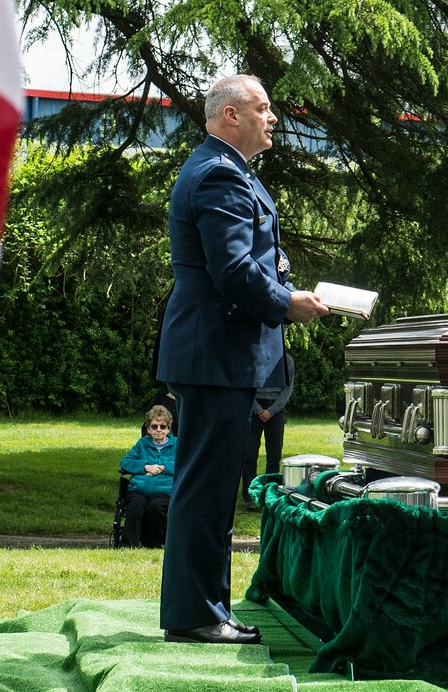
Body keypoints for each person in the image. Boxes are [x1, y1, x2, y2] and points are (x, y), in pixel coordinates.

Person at [154, 74, 330, 645]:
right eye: (263, 108)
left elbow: (248, 261)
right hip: (217, 354)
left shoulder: (225, 171)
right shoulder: (220, 175)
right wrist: (287, 304)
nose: (273, 117)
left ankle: (206, 609)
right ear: (230, 115)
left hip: (219, 353)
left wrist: (280, 284)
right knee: (207, 488)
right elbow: (232, 272)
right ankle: (197, 614)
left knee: (208, 486)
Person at [121, 405, 178, 548]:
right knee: (135, 507)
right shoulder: (142, 444)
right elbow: (125, 462)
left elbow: (185, 464)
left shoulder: (177, 444)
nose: (159, 430)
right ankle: (128, 546)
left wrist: (164, 467)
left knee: (155, 508)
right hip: (140, 488)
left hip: (165, 490)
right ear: (148, 429)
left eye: (163, 426)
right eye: (154, 426)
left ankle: (150, 545)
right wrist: (145, 466)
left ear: (168, 429)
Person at [239, 382, 292, 512]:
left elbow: (287, 389)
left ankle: (269, 494)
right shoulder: (253, 360)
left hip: (276, 410)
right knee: (249, 454)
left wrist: (271, 411)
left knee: (274, 455)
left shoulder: (286, 361)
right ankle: (250, 495)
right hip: (253, 409)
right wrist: (257, 409)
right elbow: (247, 386)